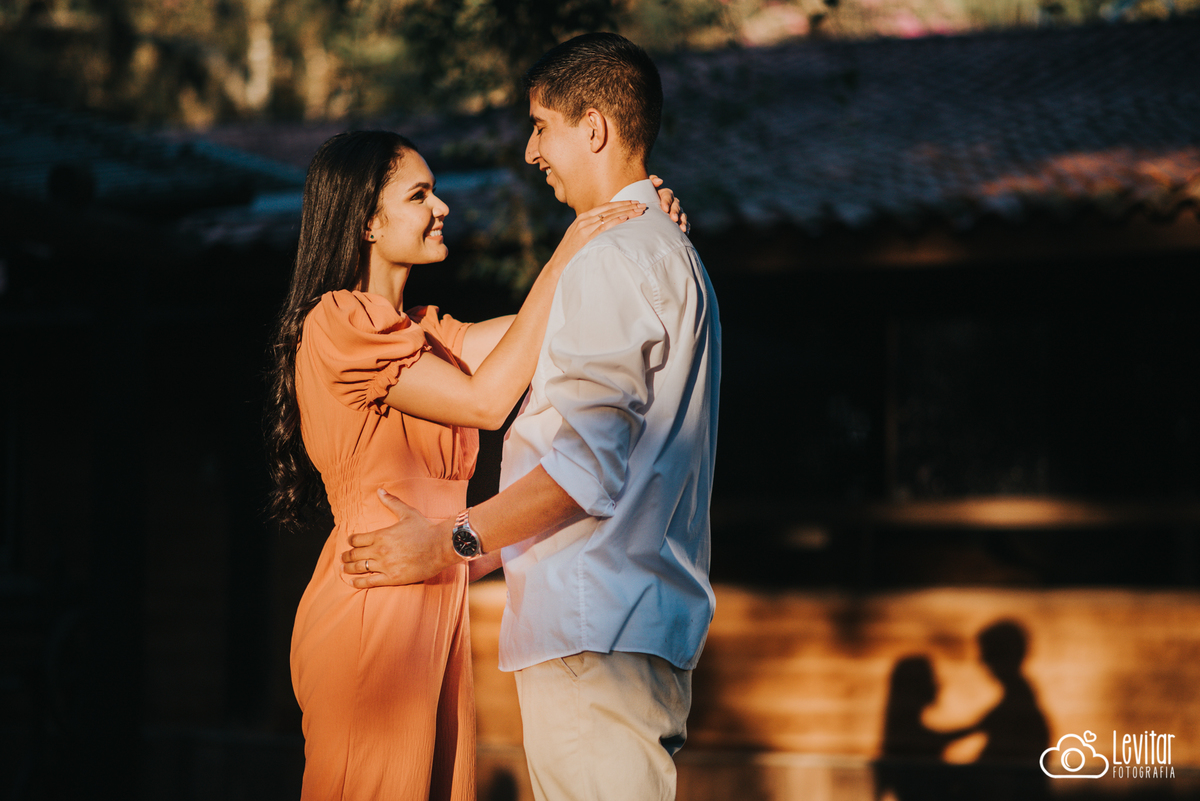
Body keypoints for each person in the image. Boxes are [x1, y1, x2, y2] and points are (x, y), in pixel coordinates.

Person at [341, 33, 721, 801]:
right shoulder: (664, 251)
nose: (529, 151)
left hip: (595, 632)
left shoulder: (618, 259)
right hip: (626, 624)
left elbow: (584, 468)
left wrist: (449, 542)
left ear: (594, 129)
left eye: (541, 126)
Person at [265, 129, 685, 800]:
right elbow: (487, 402)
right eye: (420, 194)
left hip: (439, 608)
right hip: (374, 608)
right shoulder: (336, 322)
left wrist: (630, 238)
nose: (442, 208)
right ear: (367, 220)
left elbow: (545, 330)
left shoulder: (430, 334)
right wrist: (574, 242)